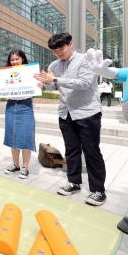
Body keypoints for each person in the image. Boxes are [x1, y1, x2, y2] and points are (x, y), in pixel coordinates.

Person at [34, 33, 107, 206]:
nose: (58, 53)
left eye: (61, 48)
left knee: (92, 152)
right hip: (65, 113)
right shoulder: (54, 65)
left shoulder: (85, 60)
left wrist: (55, 79)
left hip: (87, 112)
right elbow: (53, 84)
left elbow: (84, 83)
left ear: (70, 44)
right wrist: (44, 83)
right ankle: (74, 183)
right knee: (71, 150)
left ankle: (98, 190)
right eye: (54, 50)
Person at [0, 50, 42, 179]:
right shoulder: (5, 74)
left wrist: (40, 85)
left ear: (22, 59)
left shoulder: (31, 72)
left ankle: (25, 167)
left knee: (26, 135)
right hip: (11, 105)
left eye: (17, 59)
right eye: (12, 60)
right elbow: (0, 88)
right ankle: (15, 165)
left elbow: (36, 88)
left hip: (25, 106)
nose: (14, 61)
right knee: (12, 135)